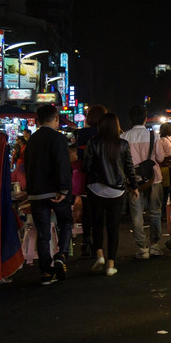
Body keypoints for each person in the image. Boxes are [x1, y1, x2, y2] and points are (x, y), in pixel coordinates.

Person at [82, 113, 139, 277]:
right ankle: (111, 264)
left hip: (96, 189)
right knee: (113, 227)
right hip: (117, 191)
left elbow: (86, 167)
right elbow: (129, 168)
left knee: (97, 224)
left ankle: (99, 254)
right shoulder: (123, 144)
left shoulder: (93, 143)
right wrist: (134, 187)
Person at [24, 104, 73, 285]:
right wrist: (63, 190)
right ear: (56, 118)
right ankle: (61, 255)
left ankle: (46, 272)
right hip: (55, 192)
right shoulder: (57, 138)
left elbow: (27, 166)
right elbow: (62, 164)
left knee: (43, 233)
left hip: (36, 193)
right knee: (65, 222)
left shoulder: (32, 140)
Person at [121, 105, 163, 259]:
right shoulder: (154, 136)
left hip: (133, 181)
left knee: (137, 214)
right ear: (145, 119)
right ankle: (155, 245)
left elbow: (122, 162)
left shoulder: (124, 137)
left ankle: (142, 248)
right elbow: (161, 158)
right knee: (155, 212)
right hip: (153, 178)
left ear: (130, 119)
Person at [75, 104, 107, 257]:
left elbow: (80, 156)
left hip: (86, 177)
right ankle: (98, 245)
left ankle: (86, 240)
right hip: (105, 177)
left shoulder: (82, 134)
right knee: (100, 212)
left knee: (87, 210)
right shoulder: (107, 133)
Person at [157, 122, 171, 211]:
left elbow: (160, 157)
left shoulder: (161, 140)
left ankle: (164, 211)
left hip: (165, 167)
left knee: (165, 191)